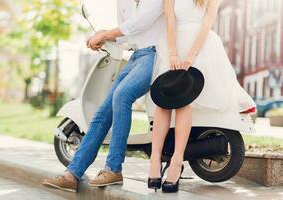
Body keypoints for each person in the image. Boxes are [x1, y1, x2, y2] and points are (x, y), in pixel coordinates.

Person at [42, 0, 164, 193]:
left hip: (156, 54)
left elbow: (141, 22)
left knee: (122, 95)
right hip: (135, 56)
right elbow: (128, 35)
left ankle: (114, 168)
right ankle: (72, 174)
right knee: (102, 112)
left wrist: (106, 33)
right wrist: (104, 38)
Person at [148, 0, 256, 193]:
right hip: (173, 44)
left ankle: (177, 161)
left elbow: (207, 23)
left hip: (201, 47)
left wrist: (191, 55)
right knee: (163, 101)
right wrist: (173, 53)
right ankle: (154, 160)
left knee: (183, 102)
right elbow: (170, 19)